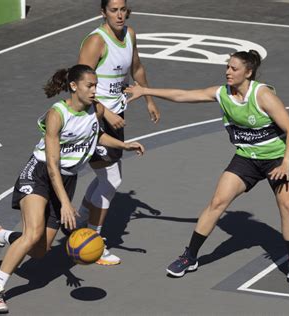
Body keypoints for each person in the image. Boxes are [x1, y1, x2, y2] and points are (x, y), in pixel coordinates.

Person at [125, 50, 289, 284]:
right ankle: (189, 257)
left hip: (278, 159)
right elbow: (182, 95)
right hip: (247, 157)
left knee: (287, 204)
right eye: (227, 67)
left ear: (248, 72)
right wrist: (145, 91)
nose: (228, 72)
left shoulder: (263, 96)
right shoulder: (221, 93)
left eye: (234, 68)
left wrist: (285, 163)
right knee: (217, 202)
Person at [0, 64, 144, 313]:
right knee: (33, 232)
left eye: (95, 85)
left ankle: (0, 235)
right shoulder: (57, 114)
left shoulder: (94, 109)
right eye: (89, 86)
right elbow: (52, 166)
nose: (94, 90)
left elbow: (96, 136)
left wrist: (125, 146)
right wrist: (66, 203)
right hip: (40, 174)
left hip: (67, 179)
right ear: (73, 86)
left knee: (39, 250)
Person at [75, 0, 160, 266]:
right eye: (114, 10)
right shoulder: (95, 42)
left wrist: (148, 98)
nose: (120, 14)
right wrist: (105, 112)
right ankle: (93, 240)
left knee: (108, 175)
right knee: (111, 178)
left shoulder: (130, 34)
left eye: (123, 9)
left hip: (115, 116)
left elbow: (137, 68)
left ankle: (80, 220)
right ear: (103, 12)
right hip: (94, 117)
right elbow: (78, 85)